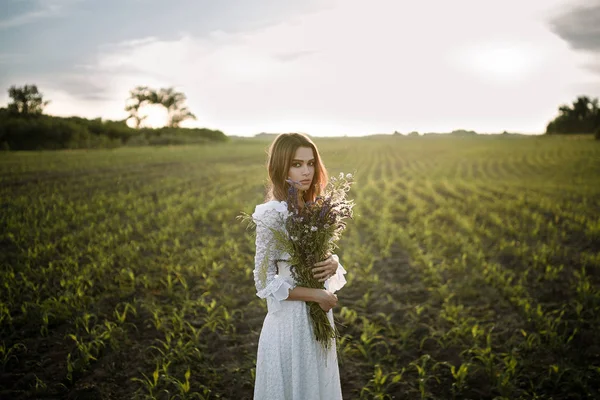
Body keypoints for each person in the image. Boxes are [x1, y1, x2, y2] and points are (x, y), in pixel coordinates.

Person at [251, 133, 347, 399]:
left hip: (318, 319)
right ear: (280, 168)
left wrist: (334, 261)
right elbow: (264, 281)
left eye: (310, 163)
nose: (306, 171)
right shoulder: (272, 214)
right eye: (296, 164)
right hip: (290, 325)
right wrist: (316, 295)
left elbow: (317, 258)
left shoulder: (315, 208)